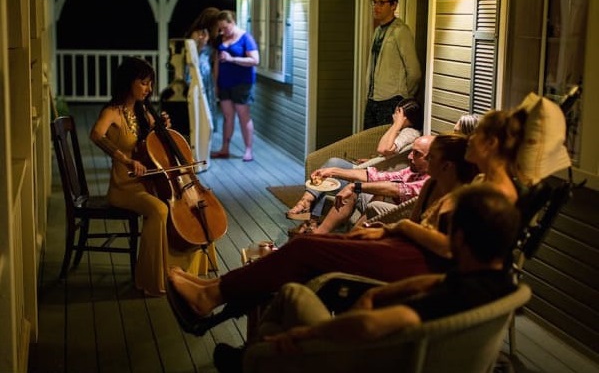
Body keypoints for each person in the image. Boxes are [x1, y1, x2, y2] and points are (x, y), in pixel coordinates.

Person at [166, 133, 478, 321]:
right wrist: (383, 230)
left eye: (428, 156)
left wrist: (400, 230)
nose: (413, 159)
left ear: (447, 165)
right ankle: (214, 288)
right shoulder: (431, 186)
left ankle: (213, 295)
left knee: (304, 248)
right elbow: (382, 183)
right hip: (399, 247)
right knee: (305, 254)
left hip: (416, 266)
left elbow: (448, 248)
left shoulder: (462, 199)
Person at [212, 183, 521, 371]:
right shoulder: (501, 285)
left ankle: (253, 357)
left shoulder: (448, 299)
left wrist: (307, 335)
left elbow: (370, 324)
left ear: (460, 240)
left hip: (372, 360)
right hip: (411, 355)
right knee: (278, 324)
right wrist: (377, 295)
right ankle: (257, 354)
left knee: (292, 295)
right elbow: (441, 283)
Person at [89, 56, 203, 296]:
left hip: (146, 183)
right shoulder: (113, 112)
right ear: (129, 82)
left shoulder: (142, 111)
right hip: (123, 188)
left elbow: (155, 140)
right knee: (160, 210)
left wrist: (161, 125)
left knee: (181, 208)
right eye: (144, 83)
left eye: (150, 83)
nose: (149, 89)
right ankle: (152, 278)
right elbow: (97, 135)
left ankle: (181, 269)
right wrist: (126, 159)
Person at [287, 98, 423, 221]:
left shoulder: (410, 133)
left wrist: (397, 124)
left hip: (378, 177)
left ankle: (306, 205)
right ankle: (311, 217)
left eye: (396, 113)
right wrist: (373, 159)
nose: (393, 116)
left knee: (333, 164)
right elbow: (388, 155)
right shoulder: (403, 131)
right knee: (328, 176)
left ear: (404, 116)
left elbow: (383, 149)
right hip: (374, 169)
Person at [290, 135, 434, 235]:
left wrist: (355, 186)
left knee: (375, 192)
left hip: (400, 213)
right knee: (346, 178)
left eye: (416, 153)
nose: (409, 156)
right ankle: (319, 233)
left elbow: (397, 189)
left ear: (433, 157)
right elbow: (377, 176)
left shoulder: (432, 179)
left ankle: (350, 241)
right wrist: (332, 171)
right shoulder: (412, 171)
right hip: (387, 203)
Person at [363, 0, 421, 129]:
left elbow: (414, 72)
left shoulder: (400, 31)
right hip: (372, 99)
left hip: (391, 100)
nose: (376, 6)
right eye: (374, 2)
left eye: (381, 2)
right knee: (368, 145)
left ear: (394, 5)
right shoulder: (378, 31)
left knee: (386, 145)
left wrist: (402, 94)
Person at [210, 10, 260, 162]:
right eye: (220, 28)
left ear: (232, 23)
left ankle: (248, 150)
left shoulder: (246, 38)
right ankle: (225, 148)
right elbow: (217, 62)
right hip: (225, 83)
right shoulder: (222, 39)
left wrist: (232, 59)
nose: (222, 31)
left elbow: (255, 60)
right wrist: (216, 83)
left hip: (242, 83)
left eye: (225, 27)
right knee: (227, 116)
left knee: (243, 116)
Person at [186, 7, 220, 130]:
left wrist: (216, 83)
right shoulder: (197, 34)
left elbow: (214, 59)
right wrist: (202, 43)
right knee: (197, 104)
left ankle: (207, 134)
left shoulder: (214, 36)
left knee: (208, 106)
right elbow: (192, 54)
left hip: (207, 74)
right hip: (196, 70)